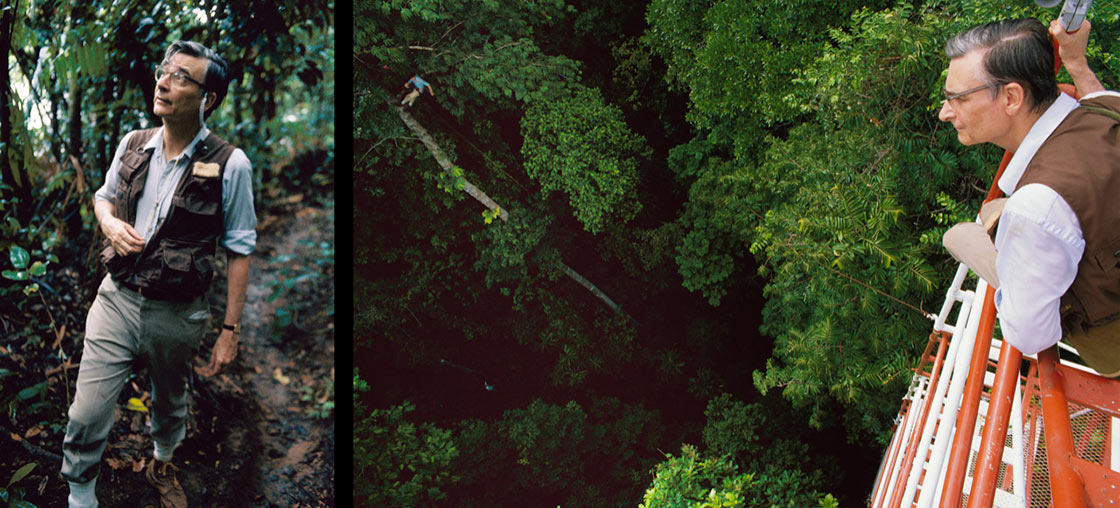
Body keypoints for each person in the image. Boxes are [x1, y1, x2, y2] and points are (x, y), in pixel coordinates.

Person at [61, 40, 257, 508]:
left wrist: (229, 332)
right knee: (87, 411)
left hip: (179, 313)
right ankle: (80, 493)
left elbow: (240, 251)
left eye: (181, 77)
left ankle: (162, 459)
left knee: (169, 403)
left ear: (208, 98)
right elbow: (103, 197)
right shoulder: (133, 143)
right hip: (117, 300)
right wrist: (108, 222)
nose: (164, 83)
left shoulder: (232, 164)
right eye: (163, 72)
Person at [939, 18, 1120, 377]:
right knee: (994, 213)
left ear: (1011, 97)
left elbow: (1031, 335)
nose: (946, 112)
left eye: (957, 99)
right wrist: (1077, 64)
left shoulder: (1037, 206)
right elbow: (1103, 102)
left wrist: (1014, 265)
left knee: (959, 235)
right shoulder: (1104, 116)